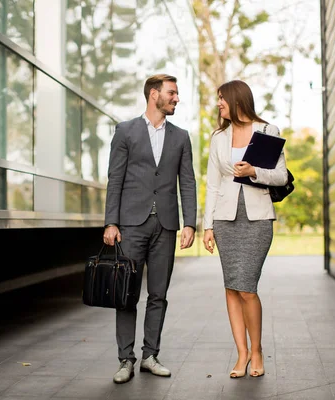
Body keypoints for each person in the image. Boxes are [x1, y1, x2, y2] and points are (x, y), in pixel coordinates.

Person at [103, 73, 197, 384]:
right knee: (127, 293)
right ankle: (125, 359)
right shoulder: (125, 131)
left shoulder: (181, 137)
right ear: (153, 94)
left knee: (159, 293)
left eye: (177, 93)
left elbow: (187, 182)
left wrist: (190, 223)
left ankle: (150, 355)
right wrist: (111, 222)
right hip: (131, 224)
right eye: (172, 92)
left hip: (166, 225)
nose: (176, 98)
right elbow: (115, 179)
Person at [202, 80, 288, 378]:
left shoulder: (267, 131)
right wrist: (207, 226)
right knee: (230, 287)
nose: (218, 104)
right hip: (225, 220)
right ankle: (241, 354)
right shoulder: (218, 138)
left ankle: (257, 350)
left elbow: (280, 176)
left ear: (237, 100)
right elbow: (212, 184)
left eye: (222, 99)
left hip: (257, 220)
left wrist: (253, 172)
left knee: (247, 288)